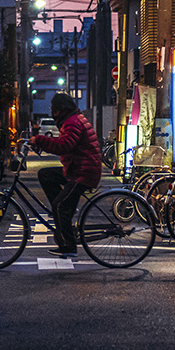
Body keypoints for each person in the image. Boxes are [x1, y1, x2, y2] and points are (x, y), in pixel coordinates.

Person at [29, 92, 103, 257]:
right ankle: (65, 211)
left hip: (83, 171)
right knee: (45, 175)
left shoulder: (72, 122)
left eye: (53, 108)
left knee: (59, 205)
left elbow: (64, 145)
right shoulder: (72, 119)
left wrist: (41, 140)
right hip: (76, 168)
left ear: (59, 109)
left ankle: (69, 245)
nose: (51, 111)